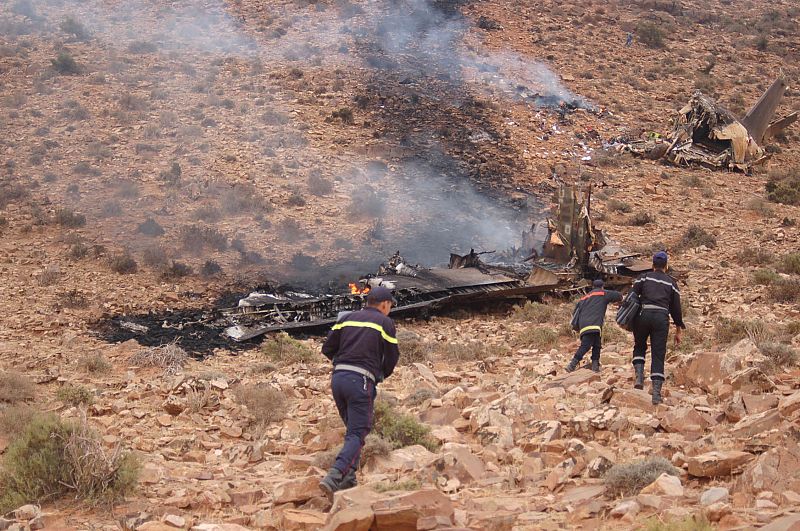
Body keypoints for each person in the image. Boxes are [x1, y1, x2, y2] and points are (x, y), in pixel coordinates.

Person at [318, 286, 400, 500]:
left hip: (338, 380)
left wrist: (344, 362)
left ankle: (349, 479)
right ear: (384, 304)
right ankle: (335, 475)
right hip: (361, 381)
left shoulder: (347, 318)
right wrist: (379, 375)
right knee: (358, 432)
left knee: (352, 431)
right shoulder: (385, 323)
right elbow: (392, 359)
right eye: (390, 306)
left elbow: (327, 349)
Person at [631, 251, 685, 405]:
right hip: (661, 318)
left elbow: (632, 296)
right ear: (666, 266)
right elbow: (676, 309)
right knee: (658, 353)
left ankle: (639, 378)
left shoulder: (643, 277)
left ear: (653, 265)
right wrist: (678, 329)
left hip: (643, 314)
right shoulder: (671, 283)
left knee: (639, 346)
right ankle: (656, 394)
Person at [566, 279, 622, 373]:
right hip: (594, 324)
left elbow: (575, 311)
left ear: (592, 287)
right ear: (602, 286)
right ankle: (572, 364)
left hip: (583, 324)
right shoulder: (603, 293)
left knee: (597, 344)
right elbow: (618, 296)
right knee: (585, 346)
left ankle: (595, 366)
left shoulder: (584, 297)